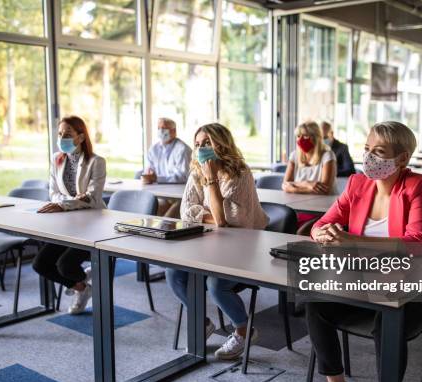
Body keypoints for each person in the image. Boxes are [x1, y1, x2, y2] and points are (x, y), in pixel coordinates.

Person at [306, 121, 422, 382]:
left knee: (386, 319)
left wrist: (353, 241)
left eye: (378, 151)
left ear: (402, 158)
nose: (368, 158)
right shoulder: (357, 183)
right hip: (363, 278)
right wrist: (322, 233)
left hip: (414, 282)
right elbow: (322, 223)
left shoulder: (416, 186)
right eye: (366, 149)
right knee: (315, 303)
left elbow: (416, 242)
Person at [165, 123, 269, 360]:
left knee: (215, 283)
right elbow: (186, 211)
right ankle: (202, 323)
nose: (201, 148)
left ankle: (244, 330)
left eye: (207, 143)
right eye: (198, 144)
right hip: (208, 243)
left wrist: (211, 182)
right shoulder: (195, 173)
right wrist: (214, 214)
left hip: (245, 246)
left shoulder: (240, 174)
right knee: (174, 273)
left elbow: (229, 219)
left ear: (221, 145)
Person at [32, 116, 107, 314]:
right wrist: (70, 202)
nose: (62, 138)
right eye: (60, 134)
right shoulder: (56, 158)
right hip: (67, 223)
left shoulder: (96, 162)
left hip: (93, 225)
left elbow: (92, 197)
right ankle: (83, 288)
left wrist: (66, 203)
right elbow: (53, 192)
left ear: (81, 137)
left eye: (67, 134)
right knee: (40, 264)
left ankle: (81, 281)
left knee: (65, 265)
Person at [283, 121, 337, 234]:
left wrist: (294, 187)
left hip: (321, 210)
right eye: (298, 136)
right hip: (297, 208)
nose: (301, 139)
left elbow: (324, 189)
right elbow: (285, 184)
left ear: (316, 137)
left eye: (305, 136)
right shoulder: (294, 155)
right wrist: (308, 185)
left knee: (299, 232)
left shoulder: (328, 155)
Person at [142, 118, 192, 217]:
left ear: (174, 131)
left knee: (165, 221)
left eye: (164, 128)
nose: (161, 131)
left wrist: (156, 178)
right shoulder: (154, 149)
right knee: (147, 213)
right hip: (161, 194)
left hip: (179, 196)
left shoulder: (183, 149)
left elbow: (183, 177)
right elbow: (149, 170)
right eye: (159, 128)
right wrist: (147, 176)